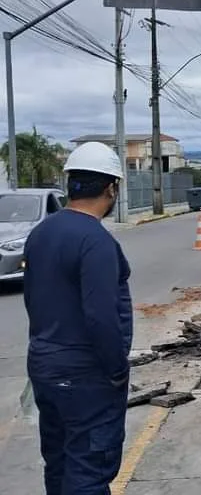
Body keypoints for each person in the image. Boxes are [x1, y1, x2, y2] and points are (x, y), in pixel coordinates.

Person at [23, 141, 132, 494]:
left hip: (44, 365)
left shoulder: (40, 234)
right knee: (88, 470)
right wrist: (116, 369)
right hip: (85, 375)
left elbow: (34, 300)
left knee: (59, 464)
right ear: (111, 187)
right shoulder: (95, 241)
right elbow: (101, 316)